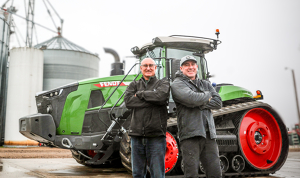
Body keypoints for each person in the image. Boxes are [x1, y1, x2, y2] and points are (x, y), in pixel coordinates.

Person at [170, 55, 223, 178]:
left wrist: (198, 102)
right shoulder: (177, 84)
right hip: (190, 135)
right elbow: (192, 99)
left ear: (197, 67)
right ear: (181, 68)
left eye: (193, 64)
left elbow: (218, 103)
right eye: (187, 65)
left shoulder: (205, 83)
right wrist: (207, 96)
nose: (190, 67)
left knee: (215, 173)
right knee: (192, 174)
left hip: (209, 135)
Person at [124, 58, 170, 178]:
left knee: (157, 174)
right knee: (137, 173)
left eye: (151, 65)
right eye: (145, 65)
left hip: (156, 136)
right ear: (141, 68)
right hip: (136, 136)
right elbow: (128, 102)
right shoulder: (134, 84)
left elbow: (161, 97)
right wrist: (152, 99)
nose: (148, 68)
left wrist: (140, 94)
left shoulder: (163, 83)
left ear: (155, 67)